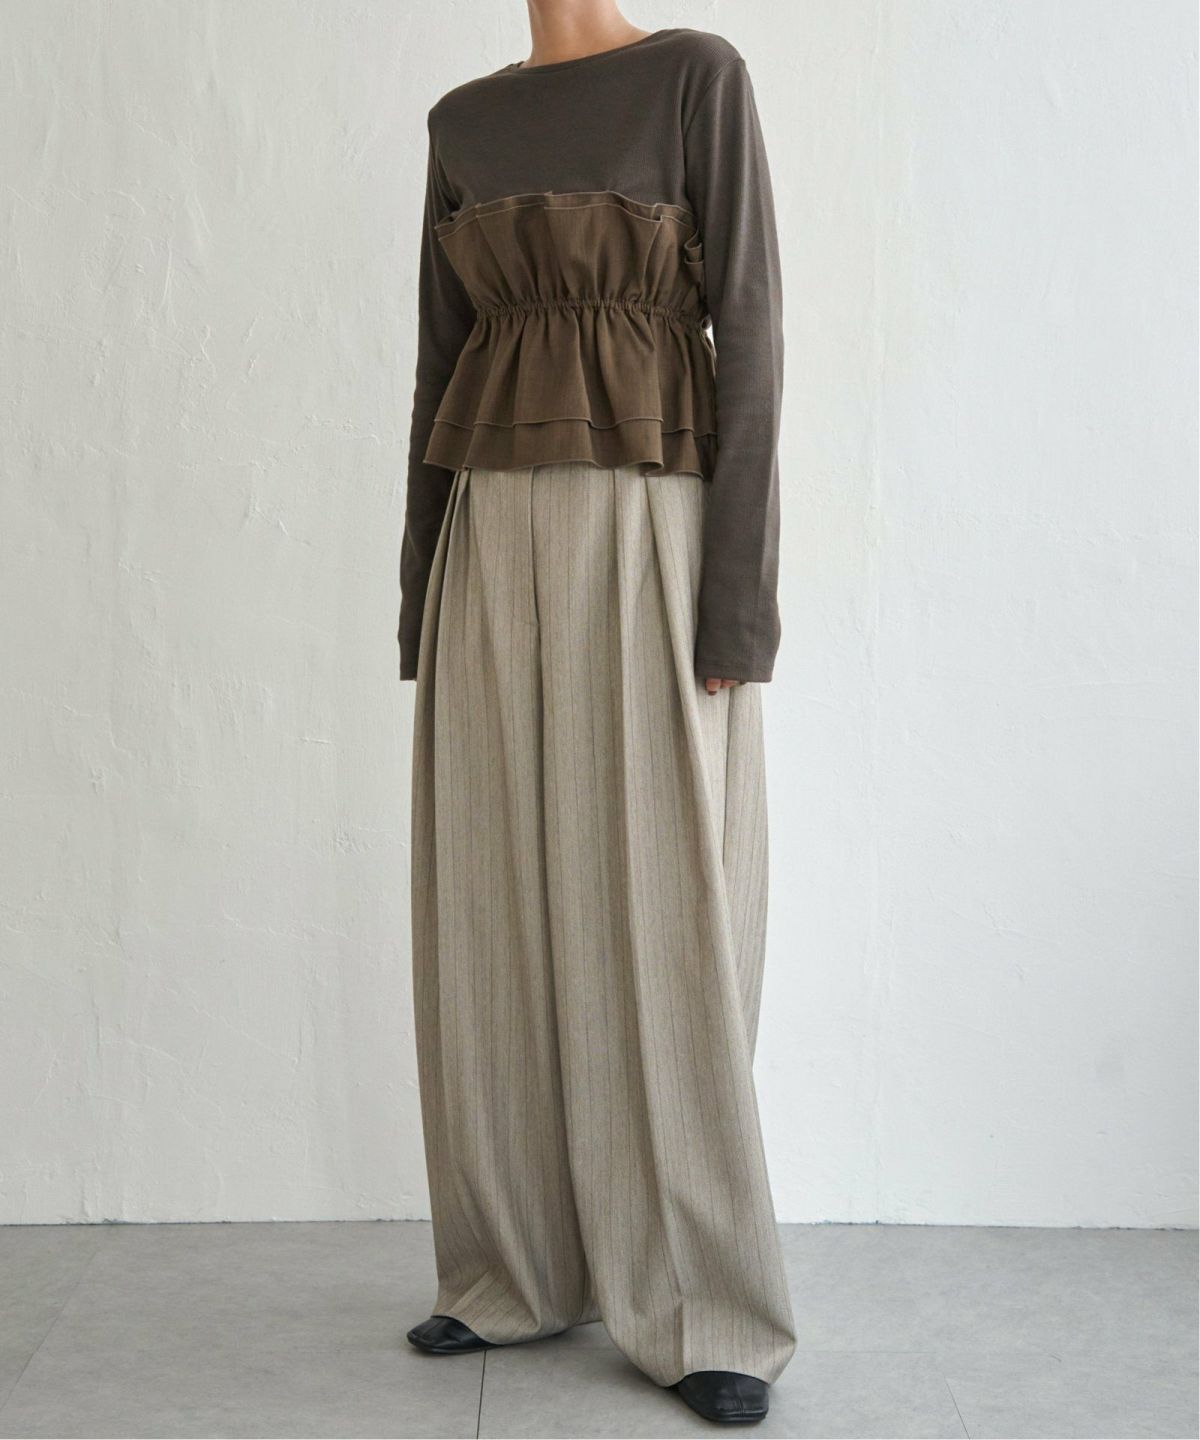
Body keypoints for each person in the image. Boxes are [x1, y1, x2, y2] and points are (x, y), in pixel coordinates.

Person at [397, 0, 792, 1423]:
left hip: (650, 517)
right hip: (488, 534)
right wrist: (418, 593)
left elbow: (750, 327)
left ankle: (706, 1303)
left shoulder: (695, 77)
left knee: (662, 905)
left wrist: (737, 599)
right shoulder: (462, 122)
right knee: (492, 901)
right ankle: (509, 1268)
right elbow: (439, 364)